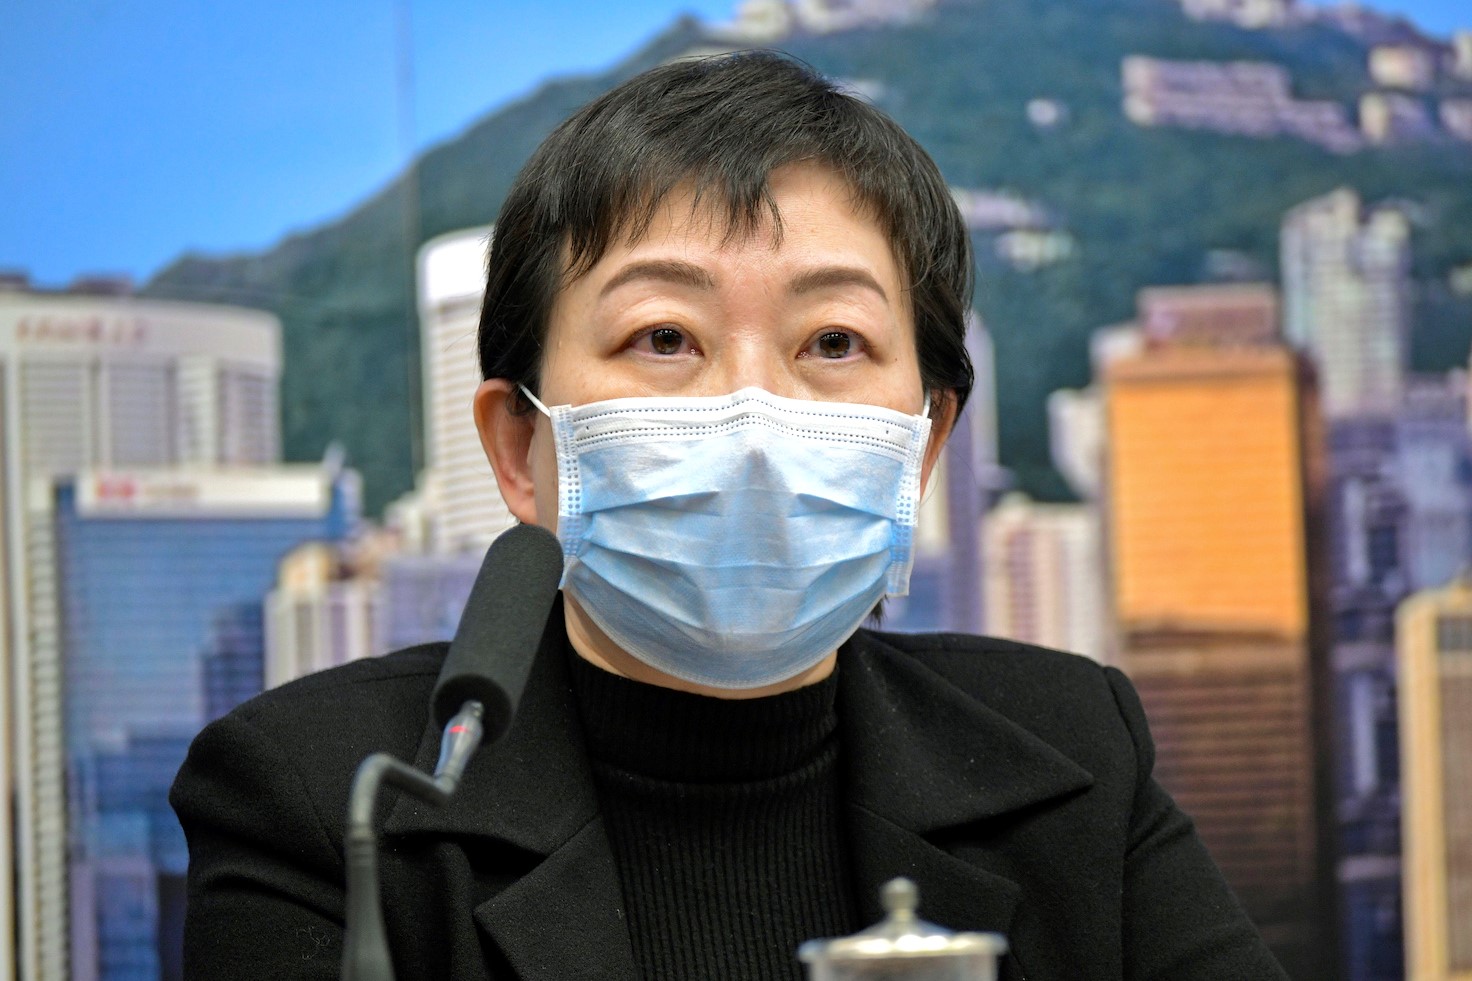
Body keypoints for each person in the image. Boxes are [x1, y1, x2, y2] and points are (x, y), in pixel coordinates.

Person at [170, 51, 1289, 980]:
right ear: (519, 445)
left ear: (925, 442)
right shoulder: (332, 803)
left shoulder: (1072, 753)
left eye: (833, 342)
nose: (753, 416)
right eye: (664, 338)